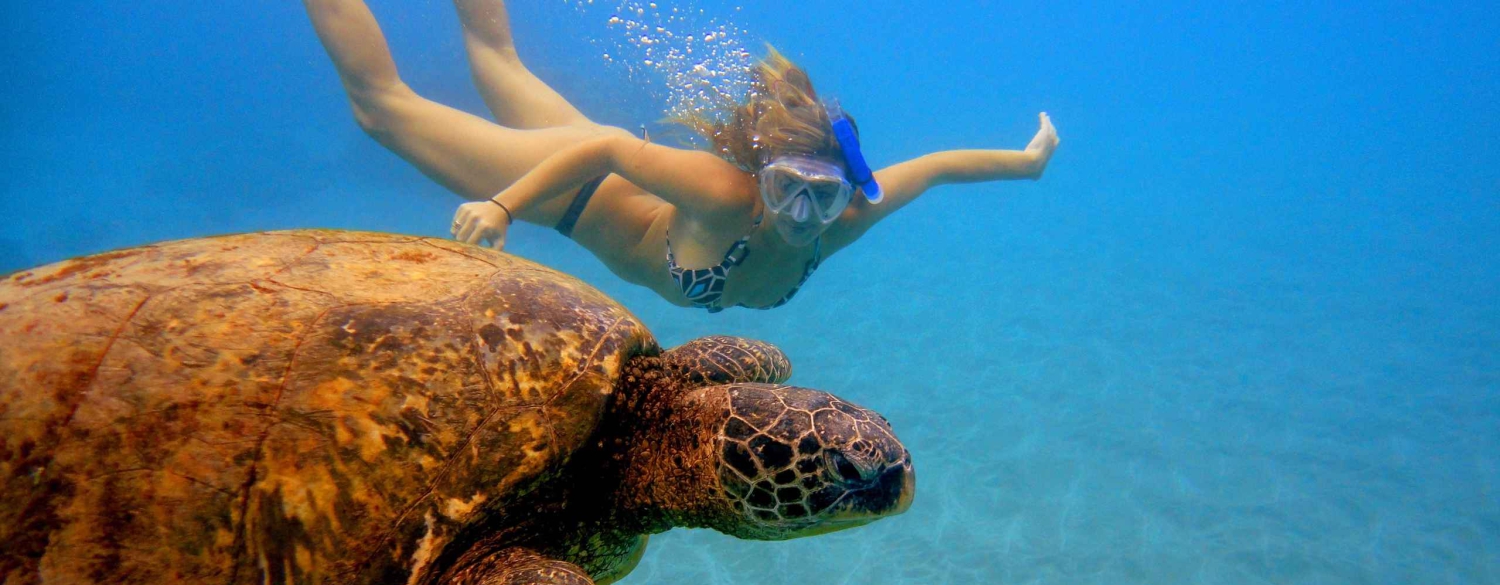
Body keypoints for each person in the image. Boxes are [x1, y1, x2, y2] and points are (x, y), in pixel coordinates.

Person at [305, 0, 1060, 312]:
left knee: (496, 59)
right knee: (380, 107)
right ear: (761, 179)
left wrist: (1022, 165)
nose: (803, 214)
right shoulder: (725, 193)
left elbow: (933, 169)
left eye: (822, 199)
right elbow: (604, 146)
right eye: (789, 187)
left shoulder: (845, 220)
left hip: (588, 180)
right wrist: (504, 205)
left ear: (846, 196)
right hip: (565, 190)